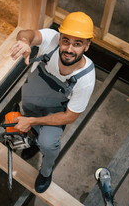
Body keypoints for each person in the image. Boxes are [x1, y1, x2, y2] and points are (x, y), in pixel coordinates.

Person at [9, 12, 96, 193]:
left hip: (54, 111)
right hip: (31, 98)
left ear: (87, 46)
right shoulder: (51, 39)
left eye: (77, 44)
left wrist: (33, 121)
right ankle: (32, 143)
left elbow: (70, 116)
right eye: (66, 41)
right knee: (29, 127)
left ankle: (46, 171)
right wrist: (24, 41)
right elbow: (28, 33)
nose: (69, 49)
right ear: (60, 37)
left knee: (48, 143)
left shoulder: (85, 79)